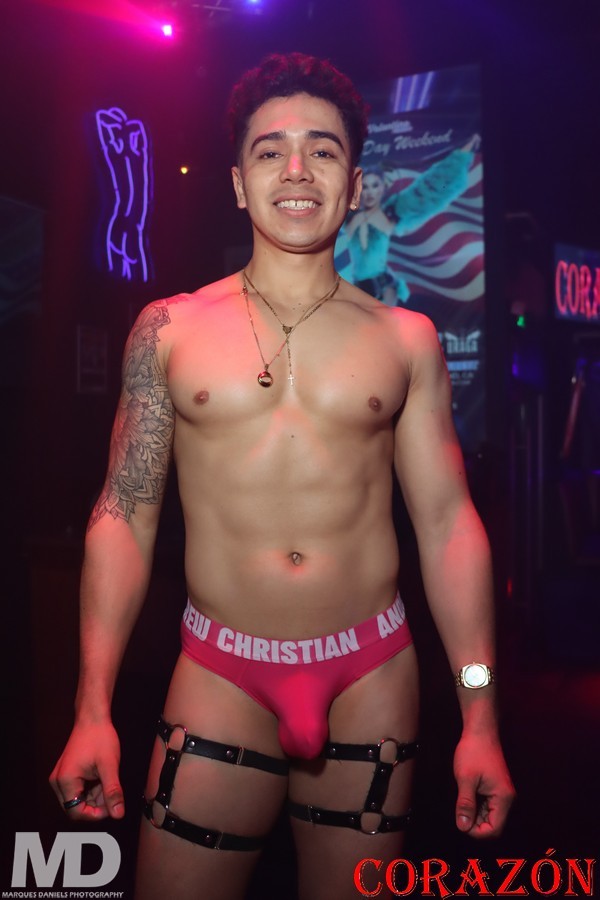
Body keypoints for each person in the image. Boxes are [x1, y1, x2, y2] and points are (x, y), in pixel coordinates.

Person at [50, 52, 514, 900]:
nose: (297, 169)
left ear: (355, 184)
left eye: (323, 150)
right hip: (220, 671)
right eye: (270, 151)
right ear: (238, 183)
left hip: (372, 673)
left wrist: (479, 713)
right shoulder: (168, 330)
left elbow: (450, 529)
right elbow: (123, 516)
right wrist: (92, 708)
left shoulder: (406, 339)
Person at [338, 136, 481, 306]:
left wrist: (462, 153)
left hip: (383, 288)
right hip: (355, 288)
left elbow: (430, 188)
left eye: (375, 185)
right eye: (366, 187)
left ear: (383, 187)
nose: (370, 192)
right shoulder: (348, 216)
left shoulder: (390, 213)